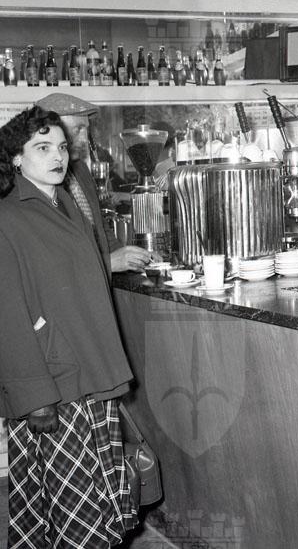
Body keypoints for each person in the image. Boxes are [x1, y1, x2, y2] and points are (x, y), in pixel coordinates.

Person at [0, 106, 137, 546]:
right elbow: (6, 315)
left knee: (96, 503)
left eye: (61, 147)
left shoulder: (62, 204)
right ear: (16, 157)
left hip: (89, 371)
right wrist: (35, 396)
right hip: (54, 383)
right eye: (42, 148)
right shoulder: (7, 217)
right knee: (72, 511)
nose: (57, 156)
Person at [37, 93, 155, 274]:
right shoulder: (39, 180)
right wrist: (109, 262)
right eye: (77, 129)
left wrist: (133, 257)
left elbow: (99, 227)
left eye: (86, 130)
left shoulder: (80, 170)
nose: (84, 139)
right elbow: (49, 259)